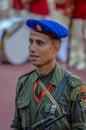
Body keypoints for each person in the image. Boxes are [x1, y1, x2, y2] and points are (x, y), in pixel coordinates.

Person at [11, 19, 86, 130]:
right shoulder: (23, 82)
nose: (32, 48)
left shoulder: (74, 86)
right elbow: (17, 125)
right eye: (31, 42)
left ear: (56, 48)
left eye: (40, 43)